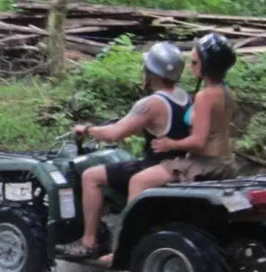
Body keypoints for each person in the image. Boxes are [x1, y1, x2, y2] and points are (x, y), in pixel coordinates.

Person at [55, 41, 191, 259]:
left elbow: (114, 134)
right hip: (179, 164)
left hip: (155, 166)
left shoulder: (151, 103)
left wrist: (88, 129)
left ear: (151, 72)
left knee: (91, 176)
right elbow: (163, 128)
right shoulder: (184, 97)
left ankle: (89, 242)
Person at [138, 31, 238, 187]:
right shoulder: (225, 91)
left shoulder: (205, 96)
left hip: (206, 164)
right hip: (225, 161)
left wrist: (169, 144)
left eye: (194, 63)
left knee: (139, 180)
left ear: (206, 66)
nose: (191, 66)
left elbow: (199, 142)